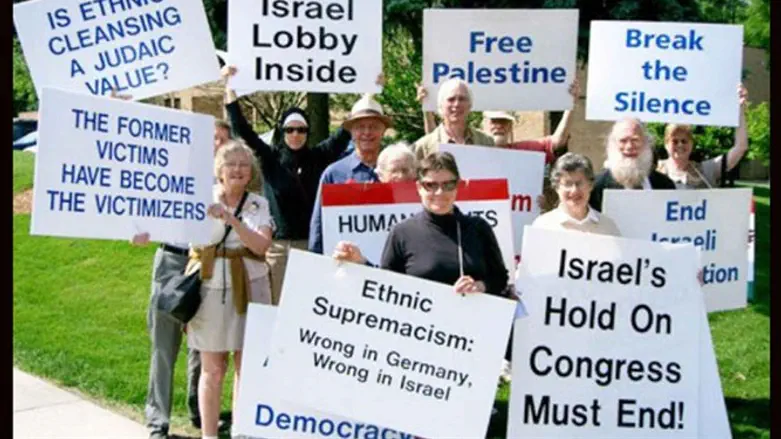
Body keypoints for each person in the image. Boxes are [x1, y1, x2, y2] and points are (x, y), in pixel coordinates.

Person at [221, 66, 356, 305]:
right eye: (290, 129)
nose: (296, 134)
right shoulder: (269, 159)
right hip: (279, 248)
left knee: (310, 308)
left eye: (301, 129)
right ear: (282, 131)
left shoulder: (319, 157)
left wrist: (368, 92)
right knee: (279, 308)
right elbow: (242, 129)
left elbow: (347, 128)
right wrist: (229, 88)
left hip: (312, 247)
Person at [186, 140, 274, 439]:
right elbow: (188, 238)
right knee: (212, 368)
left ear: (251, 172)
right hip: (211, 287)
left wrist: (232, 219)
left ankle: (241, 430)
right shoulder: (202, 199)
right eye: (230, 164)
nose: (237, 169)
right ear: (219, 170)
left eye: (243, 164)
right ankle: (209, 434)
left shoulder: (258, 204)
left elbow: (261, 245)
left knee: (245, 364)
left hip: (252, 286)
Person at [308, 94, 393, 254]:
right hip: (346, 263)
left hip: (389, 262)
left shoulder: (397, 170)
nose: (367, 132)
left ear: (383, 131)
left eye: (374, 126)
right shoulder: (333, 174)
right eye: (360, 127)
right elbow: (319, 225)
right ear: (352, 132)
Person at [657, 84, 749, 189]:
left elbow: (741, 147)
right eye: (675, 141)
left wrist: (739, 110)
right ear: (665, 144)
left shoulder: (707, 170)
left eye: (684, 141)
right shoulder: (653, 170)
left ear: (692, 144)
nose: (680, 145)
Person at [589, 118, 676, 211]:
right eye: (623, 141)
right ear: (613, 144)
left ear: (646, 142)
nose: (629, 146)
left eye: (635, 140)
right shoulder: (596, 187)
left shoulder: (665, 185)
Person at [533, 153, 621, 236]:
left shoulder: (608, 228)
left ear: (590, 185)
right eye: (568, 184)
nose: (574, 190)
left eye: (580, 183)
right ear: (556, 187)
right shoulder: (542, 226)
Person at [412, 79, 494, 161]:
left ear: (470, 105)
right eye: (451, 99)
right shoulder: (423, 147)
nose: (457, 104)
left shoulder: (487, 142)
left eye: (462, 99)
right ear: (441, 105)